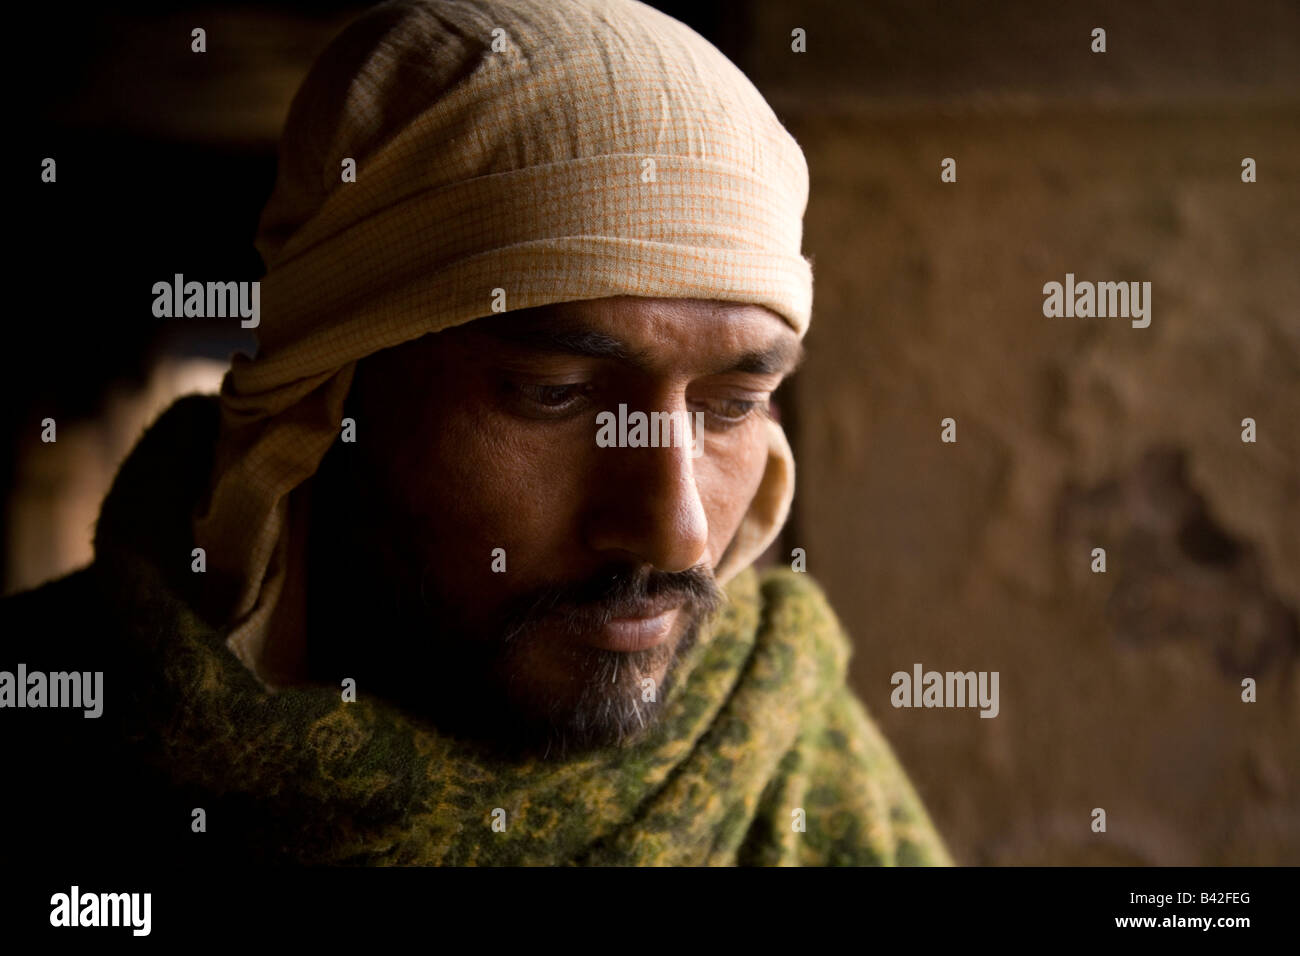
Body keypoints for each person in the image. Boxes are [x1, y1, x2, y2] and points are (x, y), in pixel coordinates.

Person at [0, 0, 951, 866]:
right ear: (328, 401)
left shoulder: (780, 738)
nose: (677, 532)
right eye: (556, 395)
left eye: (731, 406)